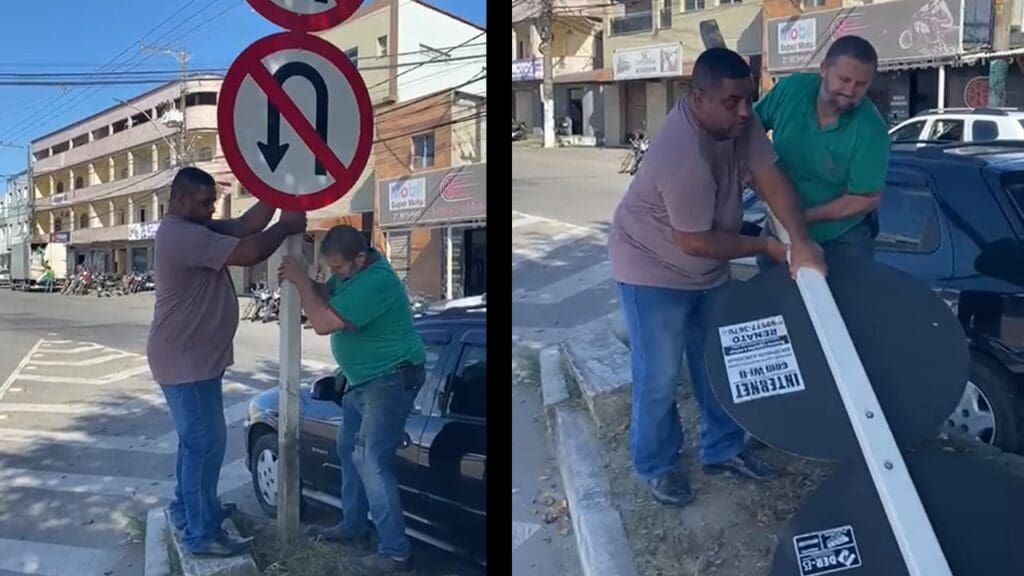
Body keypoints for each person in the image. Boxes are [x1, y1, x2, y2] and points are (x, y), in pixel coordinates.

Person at [607, 47, 826, 508]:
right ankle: (657, 465)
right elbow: (696, 242)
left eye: (748, 98)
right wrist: (769, 246)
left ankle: (723, 449)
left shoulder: (737, 123)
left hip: (704, 269)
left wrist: (800, 239)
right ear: (698, 98)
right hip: (651, 267)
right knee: (659, 376)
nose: (746, 111)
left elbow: (771, 178)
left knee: (717, 363)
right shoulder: (681, 153)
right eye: (732, 102)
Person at [146, 166, 306, 557]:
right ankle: (202, 535)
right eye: (203, 203)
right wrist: (286, 226)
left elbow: (247, 223)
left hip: (192, 358)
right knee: (205, 444)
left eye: (212, 203)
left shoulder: (195, 226)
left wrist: (280, 189)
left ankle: (189, 510)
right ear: (178, 200)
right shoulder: (182, 234)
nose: (210, 211)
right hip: (186, 360)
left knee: (194, 443)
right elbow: (251, 250)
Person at [278, 225, 425, 574]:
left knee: (370, 459)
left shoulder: (377, 282)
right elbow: (325, 295)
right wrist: (306, 279)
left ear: (360, 258)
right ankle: (353, 526)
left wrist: (301, 281)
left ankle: (395, 552)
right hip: (361, 381)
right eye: (331, 268)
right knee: (349, 451)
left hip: (390, 380)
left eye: (339, 268)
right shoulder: (353, 274)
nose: (335, 275)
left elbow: (322, 321)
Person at [754, 35, 890, 263]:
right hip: (778, 227)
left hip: (842, 240)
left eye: (861, 84)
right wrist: (752, 173)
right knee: (770, 295)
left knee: (843, 298)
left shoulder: (871, 130)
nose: (850, 90)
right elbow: (750, 128)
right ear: (824, 68)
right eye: (844, 79)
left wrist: (800, 217)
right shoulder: (791, 89)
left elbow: (866, 199)